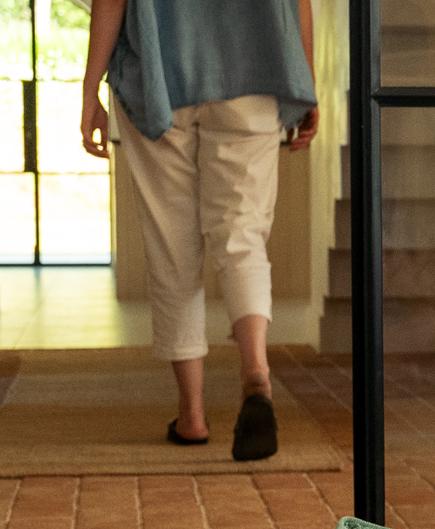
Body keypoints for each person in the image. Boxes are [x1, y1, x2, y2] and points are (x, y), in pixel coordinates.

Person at [79, 0, 319, 461]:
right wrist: (303, 81)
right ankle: (256, 375)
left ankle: (192, 415)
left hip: (159, 74)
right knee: (243, 235)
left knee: (171, 244)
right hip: (256, 71)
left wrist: (90, 89)